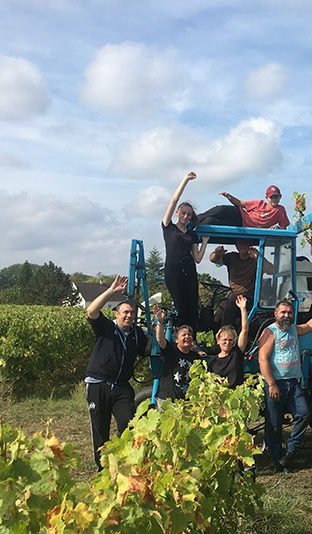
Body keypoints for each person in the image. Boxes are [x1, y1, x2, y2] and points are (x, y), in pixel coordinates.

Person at [85, 276, 151, 470]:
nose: (129, 316)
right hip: (98, 383)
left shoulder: (136, 333)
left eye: (131, 313)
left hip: (122, 386)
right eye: (125, 312)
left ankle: (125, 462)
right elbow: (91, 310)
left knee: (129, 424)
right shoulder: (106, 328)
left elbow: (145, 351)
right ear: (117, 314)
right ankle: (103, 468)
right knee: (100, 429)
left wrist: (157, 329)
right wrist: (112, 291)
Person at [258, 297, 312, 472]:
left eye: (289, 312)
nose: (287, 315)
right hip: (275, 384)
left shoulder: (294, 330)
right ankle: (276, 460)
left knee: (304, 414)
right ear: (276, 314)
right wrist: (272, 384)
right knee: (274, 424)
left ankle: (289, 452)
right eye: (283, 312)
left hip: (293, 383)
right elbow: (262, 359)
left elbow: (311, 325)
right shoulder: (270, 332)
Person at [162, 172, 210, 332]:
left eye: (189, 214)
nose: (185, 216)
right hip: (173, 271)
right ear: (177, 212)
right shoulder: (169, 227)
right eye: (183, 213)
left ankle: (192, 340)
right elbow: (174, 200)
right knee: (180, 305)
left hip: (189, 270)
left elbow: (197, 258)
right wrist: (186, 180)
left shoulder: (192, 235)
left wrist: (204, 243)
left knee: (192, 305)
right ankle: (180, 337)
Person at [209, 239, 275, 331]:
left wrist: (258, 257)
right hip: (232, 295)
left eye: (246, 243)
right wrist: (217, 253)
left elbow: (272, 271)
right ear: (236, 246)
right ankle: (219, 342)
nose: (242, 245)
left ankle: (226, 336)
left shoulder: (256, 260)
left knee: (229, 309)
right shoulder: (232, 257)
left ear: (250, 246)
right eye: (240, 243)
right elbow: (213, 259)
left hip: (248, 299)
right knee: (216, 320)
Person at [152, 306, 206, 403]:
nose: (187, 337)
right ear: (176, 339)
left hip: (186, 403)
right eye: (183, 335)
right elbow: (160, 340)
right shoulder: (171, 351)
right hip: (167, 400)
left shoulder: (195, 357)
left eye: (189, 335)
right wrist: (160, 322)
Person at [198, 185, 290, 229]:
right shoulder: (260, 203)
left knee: (210, 221)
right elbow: (240, 203)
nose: (274, 199)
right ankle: (196, 219)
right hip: (241, 214)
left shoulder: (280, 210)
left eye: (276, 197)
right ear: (267, 198)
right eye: (272, 197)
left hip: (241, 224)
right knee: (220, 210)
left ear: (280, 197)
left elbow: (284, 227)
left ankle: (198, 225)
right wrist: (228, 196)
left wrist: (275, 228)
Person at [208, 294, 250, 388]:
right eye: (225, 340)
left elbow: (245, 330)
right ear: (218, 341)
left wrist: (243, 309)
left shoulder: (237, 353)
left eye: (231, 340)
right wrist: (216, 379)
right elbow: (209, 379)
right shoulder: (213, 361)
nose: (228, 343)